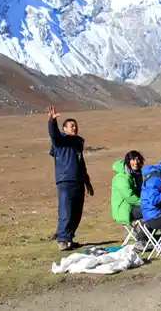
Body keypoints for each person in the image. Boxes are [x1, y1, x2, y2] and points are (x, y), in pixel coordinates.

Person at [46, 105, 94, 251]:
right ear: (64, 129)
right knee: (66, 211)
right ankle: (62, 240)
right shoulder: (60, 142)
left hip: (78, 181)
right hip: (66, 181)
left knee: (76, 212)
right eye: (71, 126)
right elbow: (53, 134)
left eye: (76, 126)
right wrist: (52, 122)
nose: (74, 128)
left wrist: (87, 182)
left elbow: (81, 164)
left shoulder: (77, 144)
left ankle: (69, 238)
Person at [111, 150, 145, 233]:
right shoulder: (122, 177)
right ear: (128, 161)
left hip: (133, 205)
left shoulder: (136, 174)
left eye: (137, 159)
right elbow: (128, 196)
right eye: (133, 160)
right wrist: (144, 202)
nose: (136, 162)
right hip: (125, 209)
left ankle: (148, 234)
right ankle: (142, 238)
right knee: (151, 209)